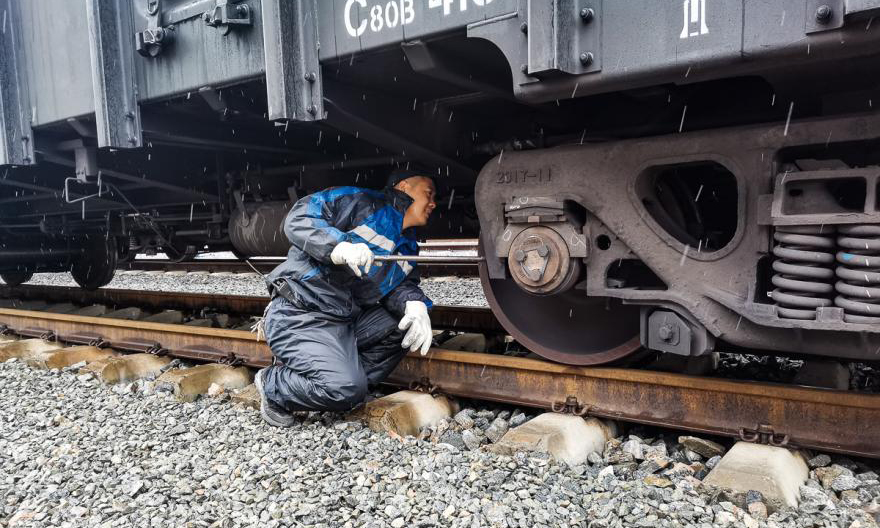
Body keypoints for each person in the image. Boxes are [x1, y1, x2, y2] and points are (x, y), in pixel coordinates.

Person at [254, 168, 437, 427]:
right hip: (300, 312)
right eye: (428, 193)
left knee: (407, 321)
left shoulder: (406, 245)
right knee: (344, 389)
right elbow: (299, 217)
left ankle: (347, 381)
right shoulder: (360, 201)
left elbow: (399, 286)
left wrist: (415, 304)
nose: (434, 203)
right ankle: (275, 386)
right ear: (404, 186)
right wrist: (338, 246)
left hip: (342, 319)